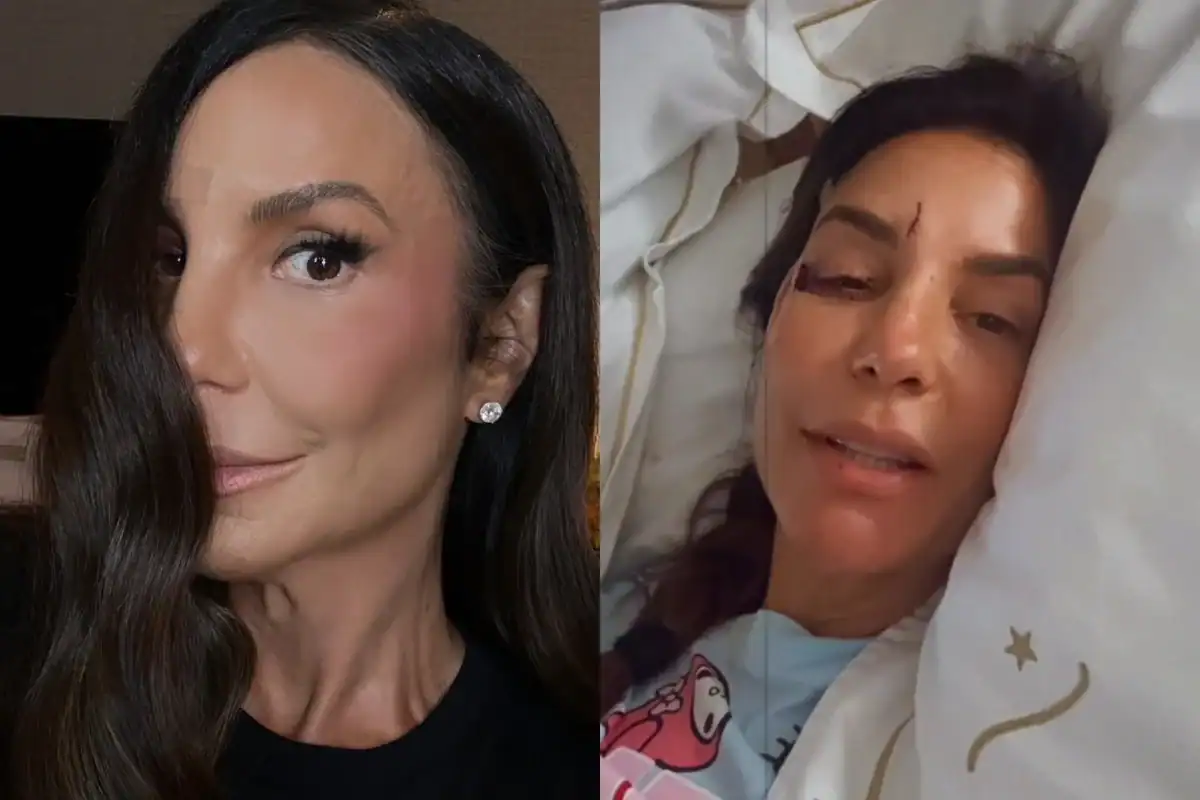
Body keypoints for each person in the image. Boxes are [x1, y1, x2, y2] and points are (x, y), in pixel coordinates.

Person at [0, 1, 597, 798]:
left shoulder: (602, 761)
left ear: (500, 345)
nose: (183, 351)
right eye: (168, 258)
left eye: (318, 259)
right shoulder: (31, 649)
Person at [598, 47, 1110, 799]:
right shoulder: (609, 615)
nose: (896, 350)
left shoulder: (972, 755)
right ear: (770, 321)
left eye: (992, 319)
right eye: (849, 278)